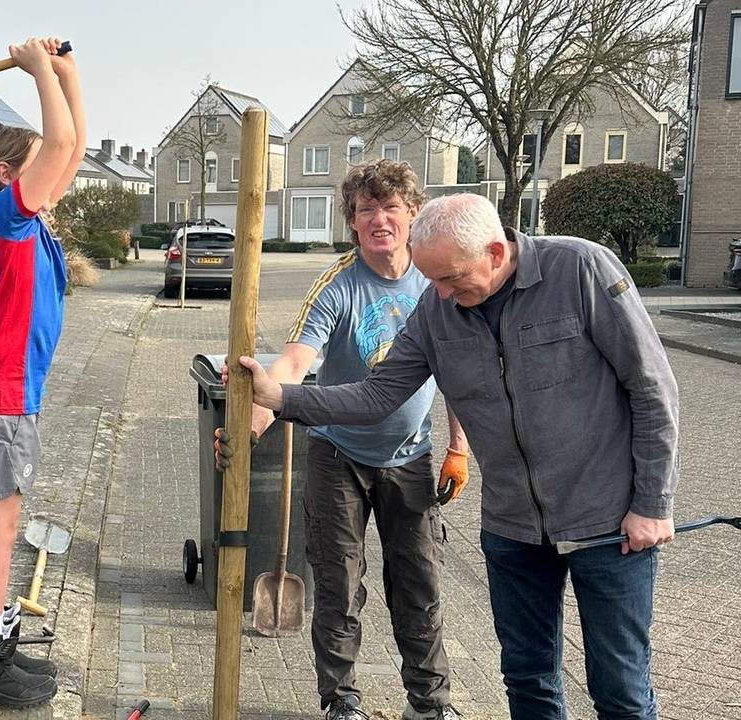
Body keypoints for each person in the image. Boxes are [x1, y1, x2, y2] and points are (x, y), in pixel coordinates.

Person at [230, 193, 677, 720]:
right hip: (513, 529)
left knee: (619, 688)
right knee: (529, 681)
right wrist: (280, 400)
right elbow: (376, 395)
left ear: (494, 251)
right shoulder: (436, 307)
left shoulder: (578, 268)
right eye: (432, 279)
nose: (440, 293)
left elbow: (651, 389)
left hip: (608, 523)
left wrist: (653, 502)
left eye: (451, 279)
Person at [217, 160, 466, 720]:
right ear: (352, 223)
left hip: (410, 458)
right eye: (365, 210)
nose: (379, 219)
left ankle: (430, 706)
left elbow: (463, 373)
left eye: (391, 208)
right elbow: (296, 362)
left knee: (419, 586)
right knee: (339, 585)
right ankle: (342, 702)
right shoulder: (337, 285)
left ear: (412, 214)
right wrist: (251, 427)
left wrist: (457, 448)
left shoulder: (435, 280)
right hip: (338, 458)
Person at [0, 37, 85, 709]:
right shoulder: (2, 220)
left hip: (10, 393)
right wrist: (37, 77)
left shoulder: (31, 224)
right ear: (8, 176)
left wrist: (66, 74)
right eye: (36, 172)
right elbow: (57, 148)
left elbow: (70, 149)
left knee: (4, 525)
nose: (53, 180)